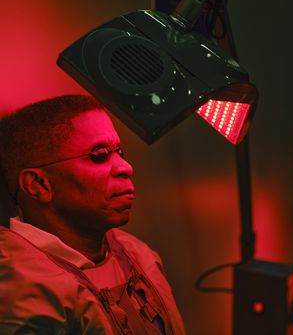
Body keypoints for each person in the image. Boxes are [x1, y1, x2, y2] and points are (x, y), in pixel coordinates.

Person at [0, 94, 186, 334]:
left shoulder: (137, 254)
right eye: (99, 155)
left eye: (119, 152)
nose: (125, 168)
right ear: (39, 185)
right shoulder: (20, 288)